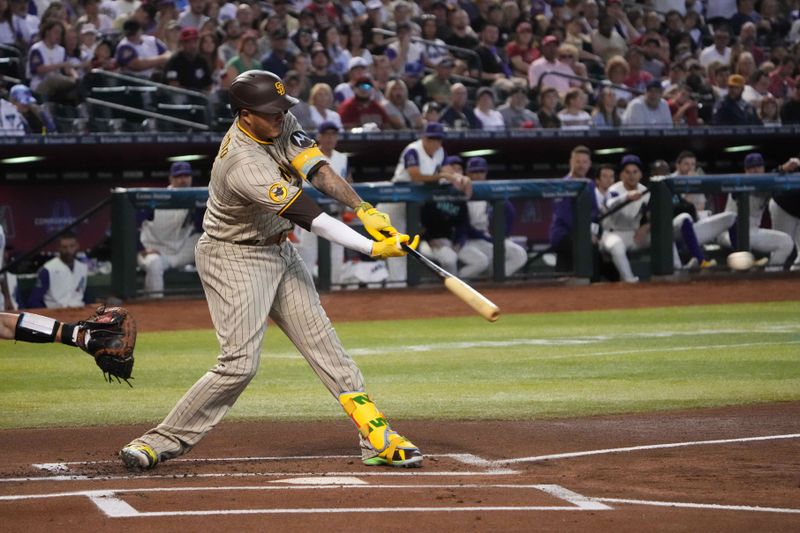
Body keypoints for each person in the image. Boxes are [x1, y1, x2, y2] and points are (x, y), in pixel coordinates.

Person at [120, 70, 423, 472]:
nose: (280, 116)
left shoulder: (278, 120)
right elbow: (309, 216)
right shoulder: (242, 161)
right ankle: (157, 441)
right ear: (245, 115)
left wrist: (364, 209)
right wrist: (370, 246)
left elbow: (317, 169)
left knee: (328, 350)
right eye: (270, 111)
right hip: (234, 257)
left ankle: (375, 437)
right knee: (239, 364)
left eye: (282, 108)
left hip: (279, 250)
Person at [376, 122, 472, 285]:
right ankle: (396, 287)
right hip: (394, 202)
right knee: (396, 246)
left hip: (412, 205)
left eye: (438, 139)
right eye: (431, 138)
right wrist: (446, 176)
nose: (435, 142)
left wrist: (461, 178)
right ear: (424, 137)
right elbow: (416, 176)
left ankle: (402, 285)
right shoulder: (413, 149)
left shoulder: (440, 152)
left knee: (406, 246)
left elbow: (449, 171)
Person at [717, 153, 795, 271]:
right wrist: (782, 169)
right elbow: (758, 187)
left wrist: (783, 171)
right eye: (751, 168)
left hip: (752, 230)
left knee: (786, 242)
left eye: (758, 166)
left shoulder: (766, 183)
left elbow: (771, 183)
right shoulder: (740, 182)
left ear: (763, 168)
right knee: (743, 243)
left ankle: (770, 274)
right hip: (729, 232)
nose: (755, 170)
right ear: (746, 170)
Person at [137, 161, 202, 299]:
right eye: (179, 176)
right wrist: (139, 249)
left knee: (208, 241)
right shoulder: (156, 199)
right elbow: (131, 224)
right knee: (154, 263)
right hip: (154, 251)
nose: (183, 180)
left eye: (186, 176)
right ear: (171, 179)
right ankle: (154, 304)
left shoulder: (196, 199)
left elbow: (203, 226)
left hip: (179, 251)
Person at [457, 157, 527, 279]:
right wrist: (487, 238)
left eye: (481, 172)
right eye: (474, 172)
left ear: (486, 173)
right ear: (467, 173)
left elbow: (510, 213)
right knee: (480, 262)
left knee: (519, 255)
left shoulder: (491, 191)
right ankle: (455, 285)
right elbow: (463, 225)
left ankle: (495, 278)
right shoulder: (461, 192)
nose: (478, 175)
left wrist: (502, 236)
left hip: (486, 239)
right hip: (467, 240)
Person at [548, 145, 597, 273]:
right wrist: (585, 232)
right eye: (578, 161)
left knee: (597, 246)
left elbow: (594, 211)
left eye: (584, 162)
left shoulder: (590, 184)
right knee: (581, 245)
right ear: (571, 162)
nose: (581, 165)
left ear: (589, 164)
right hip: (562, 233)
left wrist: (592, 231)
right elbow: (564, 215)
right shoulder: (563, 185)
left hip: (583, 232)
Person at [28, 232, 88, 309]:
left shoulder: (82, 267)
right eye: (64, 247)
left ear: (77, 246)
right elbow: (34, 301)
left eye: (72, 246)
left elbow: (84, 296)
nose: (68, 250)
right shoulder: (48, 269)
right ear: (58, 248)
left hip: (79, 311)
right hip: (56, 312)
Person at [164, 27, 212, 91]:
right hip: (178, 98)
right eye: (188, 42)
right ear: (182, 43)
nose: (192, 45)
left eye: (195, 41)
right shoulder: (175, 61)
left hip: (199, 98)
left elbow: (208, 85)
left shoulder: (202, 61)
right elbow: (173, 87)